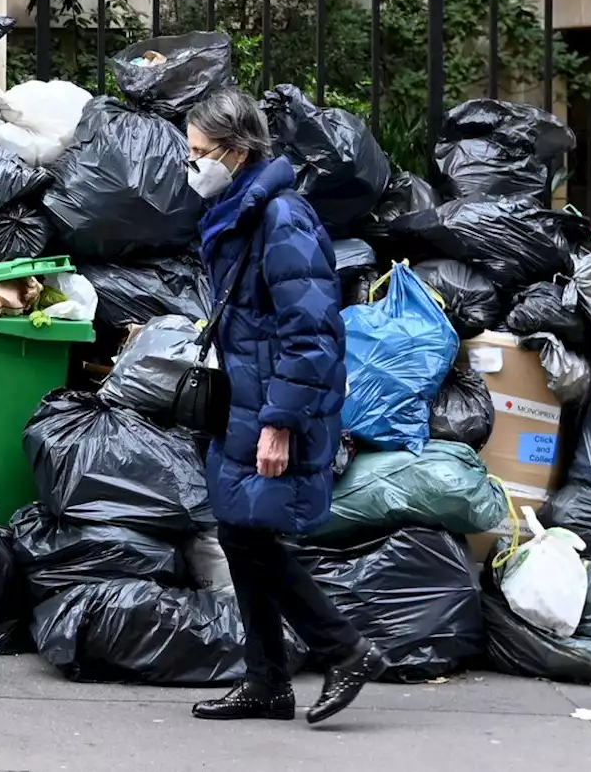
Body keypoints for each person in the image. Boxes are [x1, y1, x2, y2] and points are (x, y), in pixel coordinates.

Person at [184, 88, 384, 725]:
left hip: (274, 403)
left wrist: (280, 423)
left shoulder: (281, 217)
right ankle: (267, 681)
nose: (193, 167)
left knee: (249, 536)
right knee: (242, 531)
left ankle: (344, 648)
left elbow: (312, 333)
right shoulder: (241, 211)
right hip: (247, 397)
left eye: (201, 153)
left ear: (238, 151)